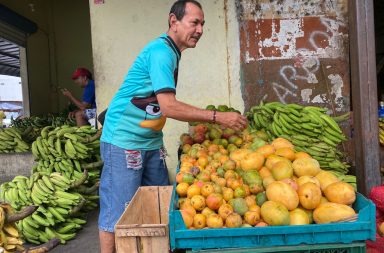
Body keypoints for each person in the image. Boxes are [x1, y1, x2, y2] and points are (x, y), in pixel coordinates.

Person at [98, 1, 247, 252]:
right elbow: (169, 106)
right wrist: (218, 117)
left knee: (161, 206)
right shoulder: (161, 53)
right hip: (123, 141)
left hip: (150, 141)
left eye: (202, 24)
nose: (200, 29)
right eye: (194, 22)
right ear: (173, 21)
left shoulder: (172, 52)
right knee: (118, 214)